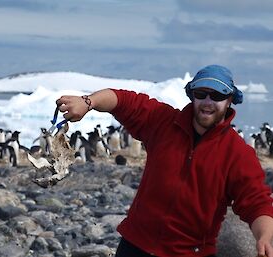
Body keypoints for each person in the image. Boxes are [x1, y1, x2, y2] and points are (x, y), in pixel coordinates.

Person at [56, 65, 273, 257]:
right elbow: (123, 100)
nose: (208, 102)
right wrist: (88, 102)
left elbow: (256, 202)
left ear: (230, 101)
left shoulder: (237, 154)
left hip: (189, 253)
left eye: (217, 96)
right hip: (135, 245)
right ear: (192, 95)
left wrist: (264, 237)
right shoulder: (164, 123)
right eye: (201, 93)